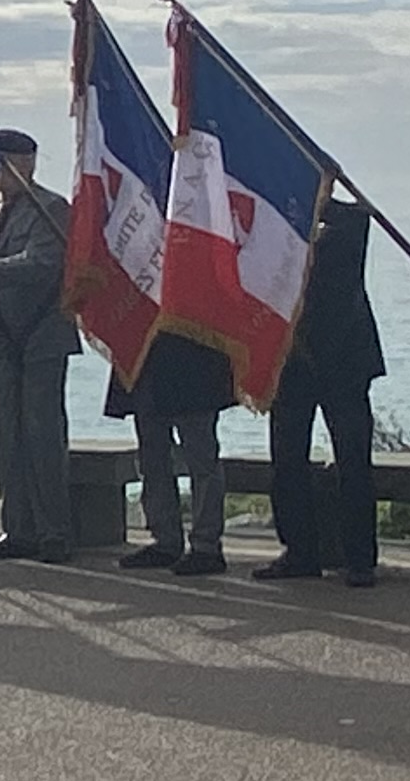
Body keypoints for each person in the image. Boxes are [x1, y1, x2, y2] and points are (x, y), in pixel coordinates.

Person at [259, 198, 385, 586]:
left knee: (352, 460)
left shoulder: (346, 229)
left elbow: (361, 216)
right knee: (287, 458)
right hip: (293, 359)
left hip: (344, 360)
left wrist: (316, 197)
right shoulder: (276, 234)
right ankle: (298, 551)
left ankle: (360, 558)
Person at [0, 129, 76, 564]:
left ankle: (53, 532)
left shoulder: (51, 208)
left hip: (41, 337)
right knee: (6, 439)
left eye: (2, 164)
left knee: (42, 436)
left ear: (23, 164)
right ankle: (16, 528)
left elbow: (43, 263)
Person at [115, 327, 231, 575]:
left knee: (201, 459)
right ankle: (165, 540)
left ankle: (206, 546)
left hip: (195, 354)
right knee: (152, 457)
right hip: (146, 354)